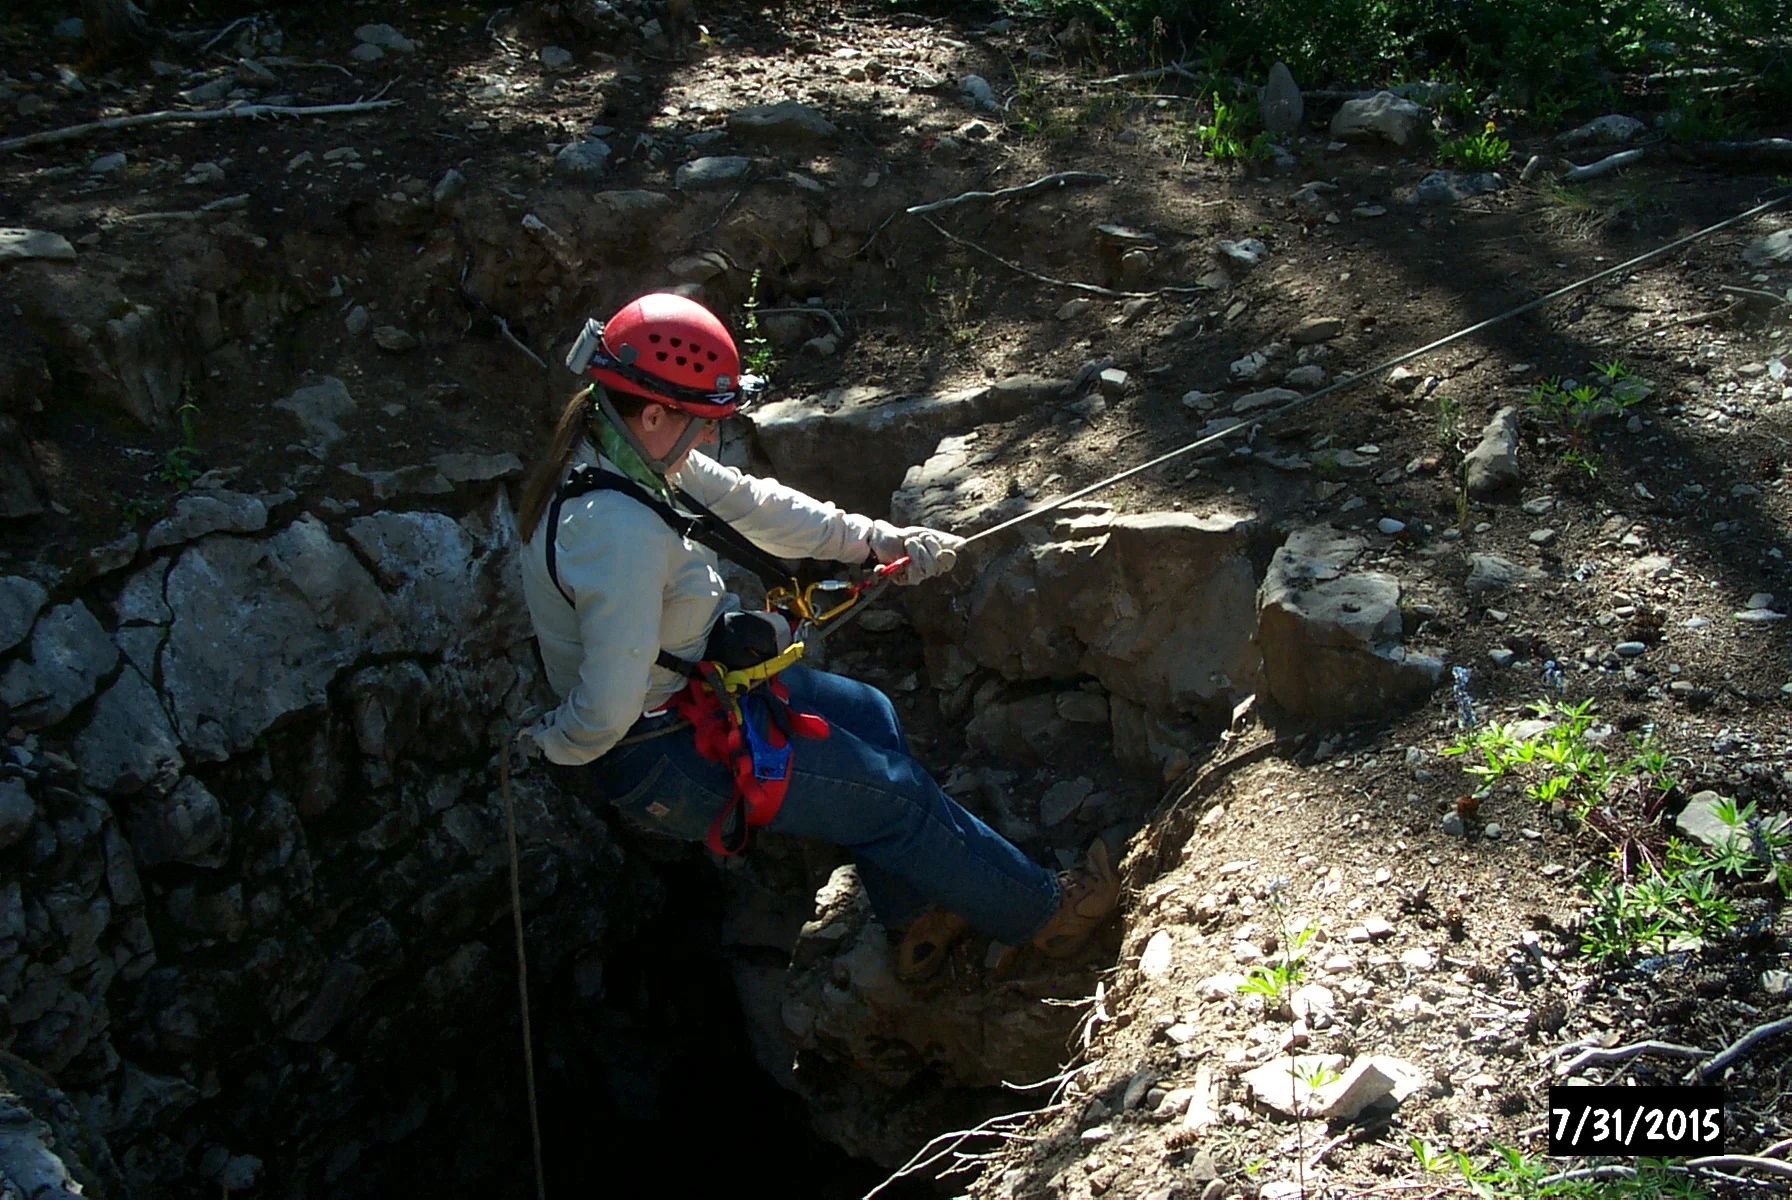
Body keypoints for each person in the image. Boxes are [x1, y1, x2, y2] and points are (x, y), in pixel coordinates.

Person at [514, 292, 1119, 980]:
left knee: (874, 716)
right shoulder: (615, 528)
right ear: (654, 412)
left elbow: (755, 504)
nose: (712, 437)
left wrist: (876, 542)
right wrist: (549, 743)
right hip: (660, 753)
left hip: (690, 696)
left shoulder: (636, 458)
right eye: (704, 421)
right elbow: (608, 707)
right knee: (891, 796)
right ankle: (1043, 914)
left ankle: (915, 918)